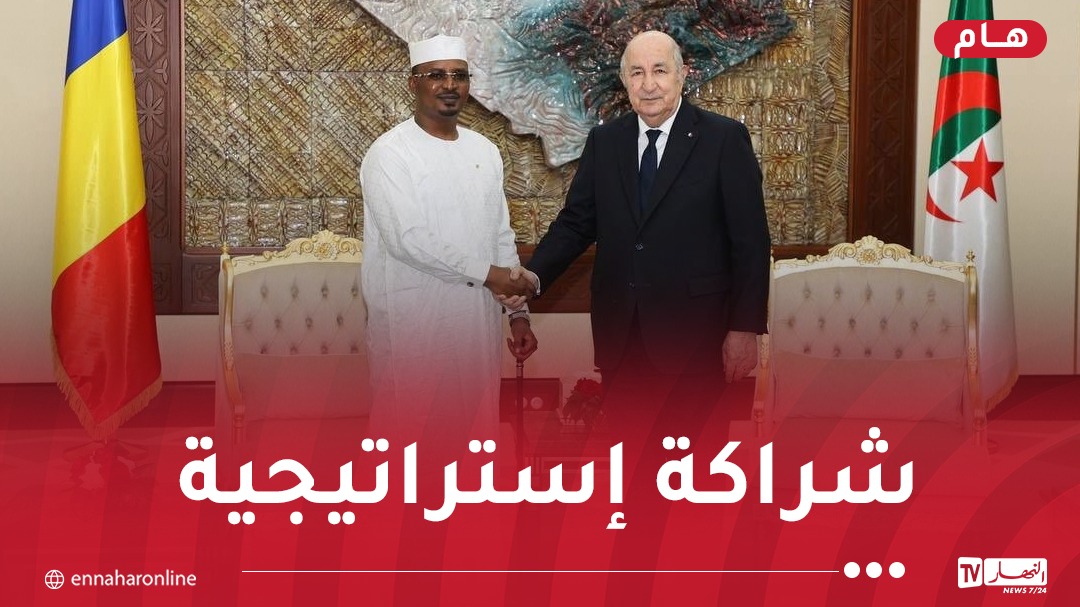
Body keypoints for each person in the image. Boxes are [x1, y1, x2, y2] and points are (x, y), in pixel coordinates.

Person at [515, 29, 770, 429]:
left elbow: (750, 241)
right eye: (637, 72)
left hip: (696, 341)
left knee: (694, 461)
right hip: (622, 340)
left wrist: (744, 328)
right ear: (624, 81)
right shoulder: (605, 141)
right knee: (629, 458)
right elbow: (577, 222)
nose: (648, 84)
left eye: (660, 70)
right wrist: (533, 275)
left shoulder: (723, 138)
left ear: (682, 75)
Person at [360, 34, 537, 447]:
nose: (449, 85)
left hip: (475, 325)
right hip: (413, 326)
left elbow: (499, 234)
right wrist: (490, 274)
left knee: (472, 441)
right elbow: (408, 240)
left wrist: (519, 314)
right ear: (413, 83)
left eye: (459, 76)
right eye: (436, 75)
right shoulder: (390, 153)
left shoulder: (485, 151)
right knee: (410, 446)